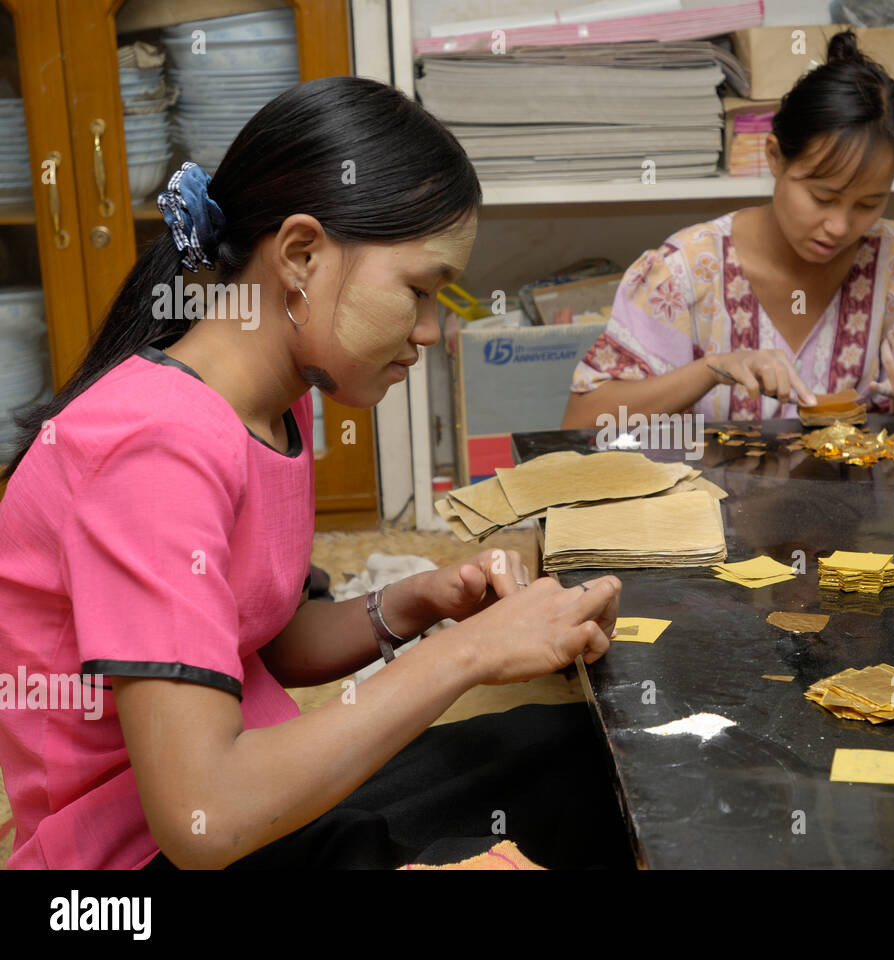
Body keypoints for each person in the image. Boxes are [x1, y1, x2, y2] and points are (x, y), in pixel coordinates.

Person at [0, 77, 630, 870]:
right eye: (420, 291)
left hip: (259, 796)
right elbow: (204, 818)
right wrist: (466, 656)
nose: (431, 331)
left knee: (576, 755)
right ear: (301, 255)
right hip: (141, 860)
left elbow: (268, 640)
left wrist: (418, 602)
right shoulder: (153, 448)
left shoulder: (273, 405)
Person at [562, 31, 894, 428]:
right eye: (822, 197)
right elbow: (581, 425)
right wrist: (713, 368)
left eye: (869, 203)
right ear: (775, 157)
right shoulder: (684, 273)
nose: (839, 227)